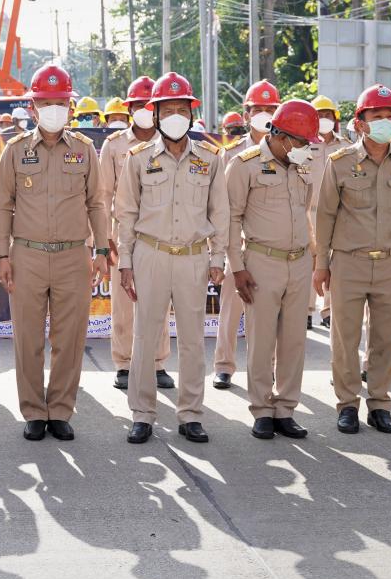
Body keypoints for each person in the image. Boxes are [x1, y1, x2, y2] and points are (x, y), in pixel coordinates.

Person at [0, 64, 110, 440]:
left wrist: (102, 250)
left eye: (60, 102)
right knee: (27, 337)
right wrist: (4, 256)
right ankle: (33, 411)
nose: (53, 110)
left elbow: (97, 203)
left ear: (70, 107)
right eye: (46, 103)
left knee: (69, 337)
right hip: (27, 254)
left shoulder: (84, 149)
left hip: (73, 255)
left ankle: (60, 409)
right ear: (32, 108)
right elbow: (3, 206)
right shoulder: (14, 151)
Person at [115, 71, 228, 444]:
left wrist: (218, 257)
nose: (176, 115)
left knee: (194, 339)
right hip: (151, 253)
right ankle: (143, 414)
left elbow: (220, 212)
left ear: (192, 114)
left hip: (194, 257)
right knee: (145, 337)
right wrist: (126, 262)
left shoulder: (210, 158)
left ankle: (191, 413)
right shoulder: (137, 158)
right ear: (157, 114)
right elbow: (126, 212)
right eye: (168, 109)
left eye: (183, 108)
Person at [313, 83, 391, 435]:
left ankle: (380, 404)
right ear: (360, 123)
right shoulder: (340, 162)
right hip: (349, 261)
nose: (386, 122)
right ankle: (347, 404)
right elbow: (325, 214)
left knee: (386, 338)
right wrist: (321, 264)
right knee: (345, 338)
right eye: (378, 116)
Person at [225, 99, 319, 439]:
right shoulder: (244, 164)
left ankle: (285, 408)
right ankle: (262, 409)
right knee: (261, 339)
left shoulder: (303, 163)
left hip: (299, 261)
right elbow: (230, 219)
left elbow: (307, 211)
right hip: (261, 262)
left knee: (294, 341)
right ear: (280, 136)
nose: (307, 148)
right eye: (302, 142)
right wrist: (236, 267)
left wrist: (315, 257)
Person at [99, 75, 173, 391]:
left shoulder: (172, 140)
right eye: (137, 105)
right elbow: (102, 195)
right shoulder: (114, 145)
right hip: (124, 233)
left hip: (162, 232)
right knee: (124, 302)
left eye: (148, 105)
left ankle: (157, 363)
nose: (143, 110)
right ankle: (124, 364)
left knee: (159, 301)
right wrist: (104, 239)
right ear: (129, 109)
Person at [213, 79, 280, 389]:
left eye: (269, 109)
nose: (263, 114)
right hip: (236, 243)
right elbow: (221, 205)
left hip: (270, 243)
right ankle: (224, 365)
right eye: (258, 109)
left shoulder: (286, 149)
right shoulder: (230, 153)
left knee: (269, 313)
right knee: (231, 307)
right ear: (246, 112)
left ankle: (268, 366)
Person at [306, 94, 350, 330]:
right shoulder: (303, 144)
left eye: (327, 115)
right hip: (309, 212)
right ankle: (306, 310)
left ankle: (329, 310)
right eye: (319, 115)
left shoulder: (346, 146)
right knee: (309, 261)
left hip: (337, 213)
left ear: (335, 119)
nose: (323, 119)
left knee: (334, 262)